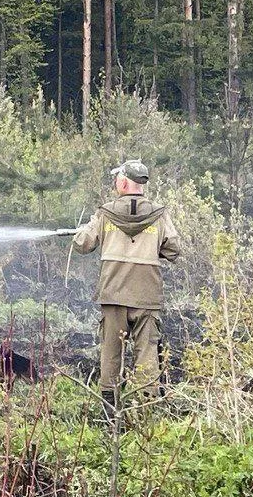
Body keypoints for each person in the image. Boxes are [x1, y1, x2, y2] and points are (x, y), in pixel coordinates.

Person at [72, 160, 182, 414]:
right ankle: (147, 409)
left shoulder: (105, 212)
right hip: (147, 295)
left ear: (123, 182)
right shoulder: (159, 214)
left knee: (111, 351)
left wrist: (84, 229)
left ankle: (110, 411)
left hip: (114, 294)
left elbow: (83, 244)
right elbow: (174, 250)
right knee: (147, 352)